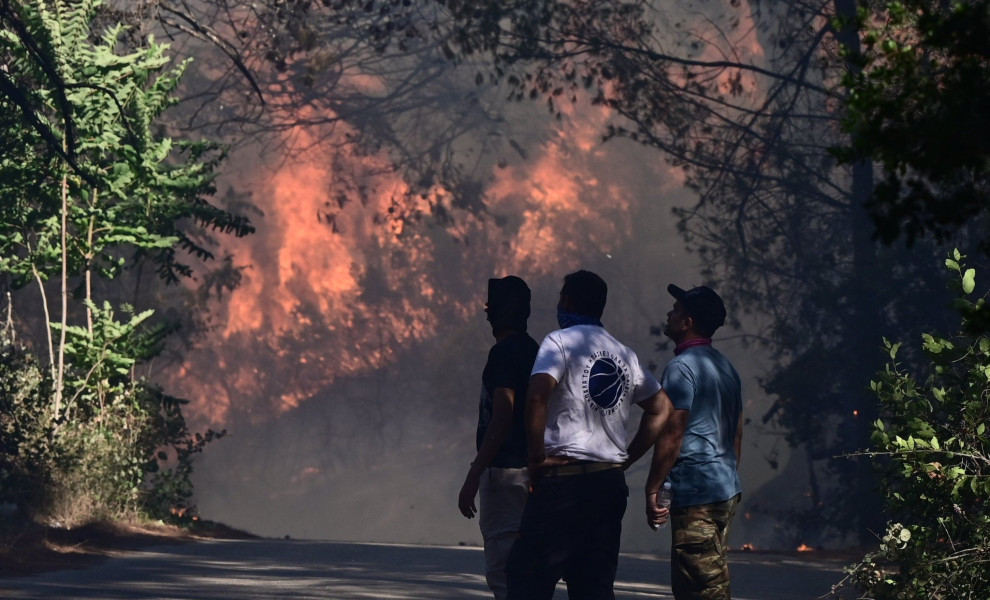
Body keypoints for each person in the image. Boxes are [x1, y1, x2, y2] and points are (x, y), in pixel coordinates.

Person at [505, 269, 673, 600]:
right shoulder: (624, 353)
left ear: (567, 301)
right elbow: (662, 408)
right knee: (593, 587)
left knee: (527, 580)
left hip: (563, 483)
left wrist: (536, 458)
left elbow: (537, 394)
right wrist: (624, 459)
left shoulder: (559, 342)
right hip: (607, 486)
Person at [646, 284, 743, 600]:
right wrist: (724, 474)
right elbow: (737, 432)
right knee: (710, 581)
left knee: (700, 591)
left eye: (676, 310)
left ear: (687, 323)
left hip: (696, 494)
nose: (669, 314)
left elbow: (673, 433)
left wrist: (653, 488)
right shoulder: (726, 367)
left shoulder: (680, 368)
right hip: (723, 488)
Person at [459, 275, 541, 600]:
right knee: (528, 568)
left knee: (504, 570)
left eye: (491, 306)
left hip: (505, 474)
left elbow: (502, 414)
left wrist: (474, 473)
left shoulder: (504, 354)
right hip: (530, 472)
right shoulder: (537, 351)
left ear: (503, 311)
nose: (485, 311)